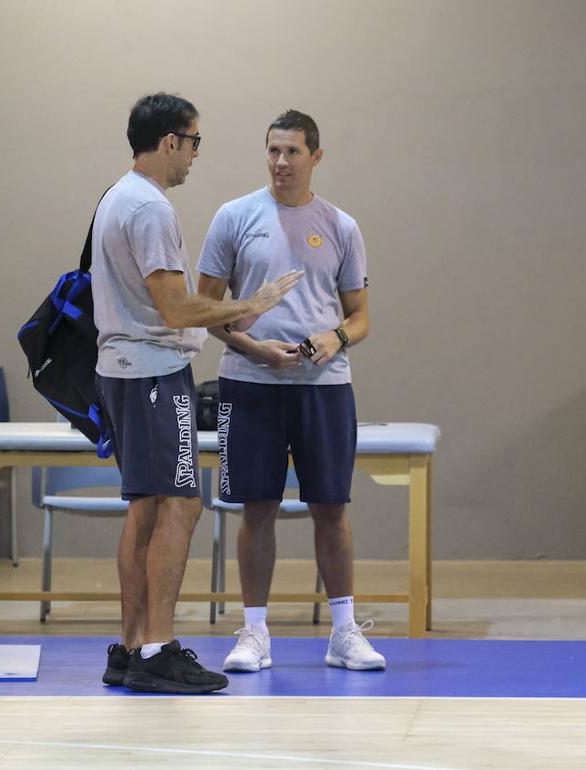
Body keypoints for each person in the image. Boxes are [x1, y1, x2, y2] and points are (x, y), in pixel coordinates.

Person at [92, 93, 302, 694]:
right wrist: (250, 304)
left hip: (122, 367)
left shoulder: (114, 196)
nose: (195, 156)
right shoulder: (151, 208)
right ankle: (157, 648)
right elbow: (175, 305)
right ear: (170, 143)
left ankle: (130, 649)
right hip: (155, 371)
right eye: (194, 143)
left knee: (146, 507)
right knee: (181, 505)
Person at [197, 109, 383, 674]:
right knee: (257, 509)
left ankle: (344, 631)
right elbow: (205, 310)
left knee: (331, 506)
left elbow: (361, 317)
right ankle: (254, 633)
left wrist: (335, 338)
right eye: (273, 151)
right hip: (249, 383)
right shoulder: (233, 218)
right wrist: (254, 349)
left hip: (323, 386)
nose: (281, 163)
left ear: (316, 156)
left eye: (293, 152)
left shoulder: (341, 226)